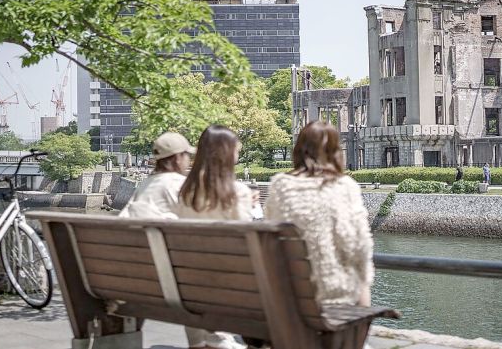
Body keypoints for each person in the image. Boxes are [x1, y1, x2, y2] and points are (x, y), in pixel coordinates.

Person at [265, 121, 374, 307]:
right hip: (332, 292)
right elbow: (359, 245)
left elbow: (271, 233)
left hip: (288, 290)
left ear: (299, 150)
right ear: (335, 152)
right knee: (361, 285)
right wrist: (365, 281)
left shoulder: (279, 186)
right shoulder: (344, 186)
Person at [176, 125, 252, 349]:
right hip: (227, 282)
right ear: (227, 153)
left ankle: (202, 342)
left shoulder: (186, 191)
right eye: (236, 150)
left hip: (187, 281)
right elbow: (246, 241)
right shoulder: (236, 193)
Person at [118, 132, 194, 219]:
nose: (189, 159)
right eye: (188, 154)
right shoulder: (181, 184)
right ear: (178, 158)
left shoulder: (145, 184)